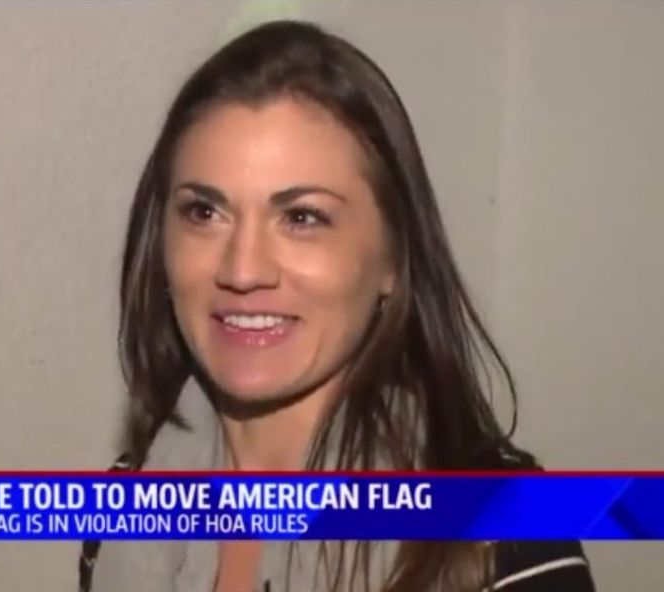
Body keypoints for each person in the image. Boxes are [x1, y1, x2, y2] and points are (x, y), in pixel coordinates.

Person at [79, 20, 596, 592]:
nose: (242, 270)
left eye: (302, 217)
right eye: (204, 213)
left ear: (393, 259)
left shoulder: (508, 532)